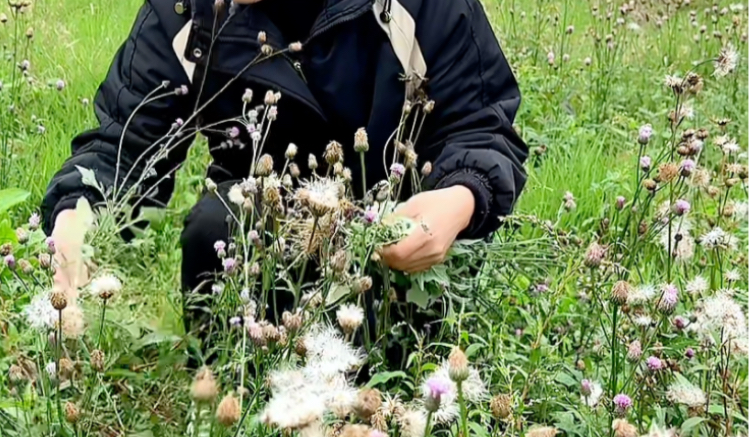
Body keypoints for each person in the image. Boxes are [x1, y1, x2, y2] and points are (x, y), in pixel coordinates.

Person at [42, 0, 527, 349]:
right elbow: (123, 145)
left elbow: (481, 127)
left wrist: (461, 198)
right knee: (216, 227)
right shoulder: (189, 11)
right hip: (263, 240)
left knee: (395, 367)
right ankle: (232, 394)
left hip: (395, 240)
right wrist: (77, 220)